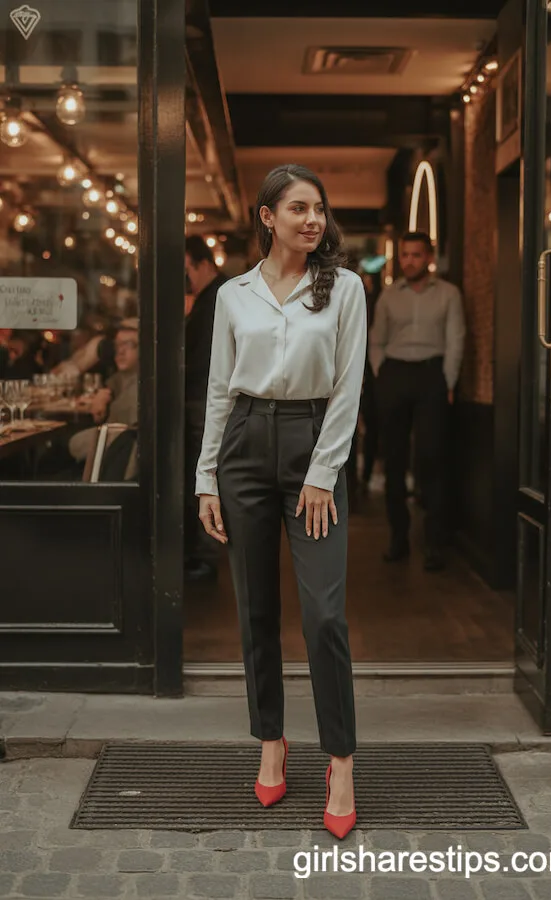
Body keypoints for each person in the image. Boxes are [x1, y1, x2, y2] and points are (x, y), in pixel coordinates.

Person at [195, 164, 366, 839]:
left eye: (319, 208)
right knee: (255, 608)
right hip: (243, 446)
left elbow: (350, 383)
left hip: (310, 445)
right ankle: (271, 741)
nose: (312, 220)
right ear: (267, 216)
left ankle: (341, 760)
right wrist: (206, 477)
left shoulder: (345, 288)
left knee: (324, 615)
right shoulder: (233, 295)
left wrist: (325, 469)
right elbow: (218, 390)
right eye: (298, 208)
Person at [369, 231, 465, 572]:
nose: (409, 260)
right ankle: (398, 539)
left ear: (428, 257)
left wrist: (447, 381)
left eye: (416, 255)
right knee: (394, 461)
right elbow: (376, 340)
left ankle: (435, 543)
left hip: (431, 375)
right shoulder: (387, 296)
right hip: (395, 374)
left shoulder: (449, 294)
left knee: (432, 459)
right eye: (405, 255)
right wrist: (382, 374)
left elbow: (456, 339)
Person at [184, 235, 228, 581]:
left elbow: (207, 359)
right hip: (203, 397)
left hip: (205, 399)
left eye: (186, 271)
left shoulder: (217, 297)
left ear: (203, 265)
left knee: (206, 475)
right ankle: (203, 551)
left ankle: (206, 553)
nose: (185, 279)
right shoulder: (210, 297)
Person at [68, 319, 139, 464]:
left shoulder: (140, 389)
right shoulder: (124, 378)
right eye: (117, 345)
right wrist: (106, 392)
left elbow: (129, 439)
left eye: (129, 344)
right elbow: (116, 380)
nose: (120, 351)